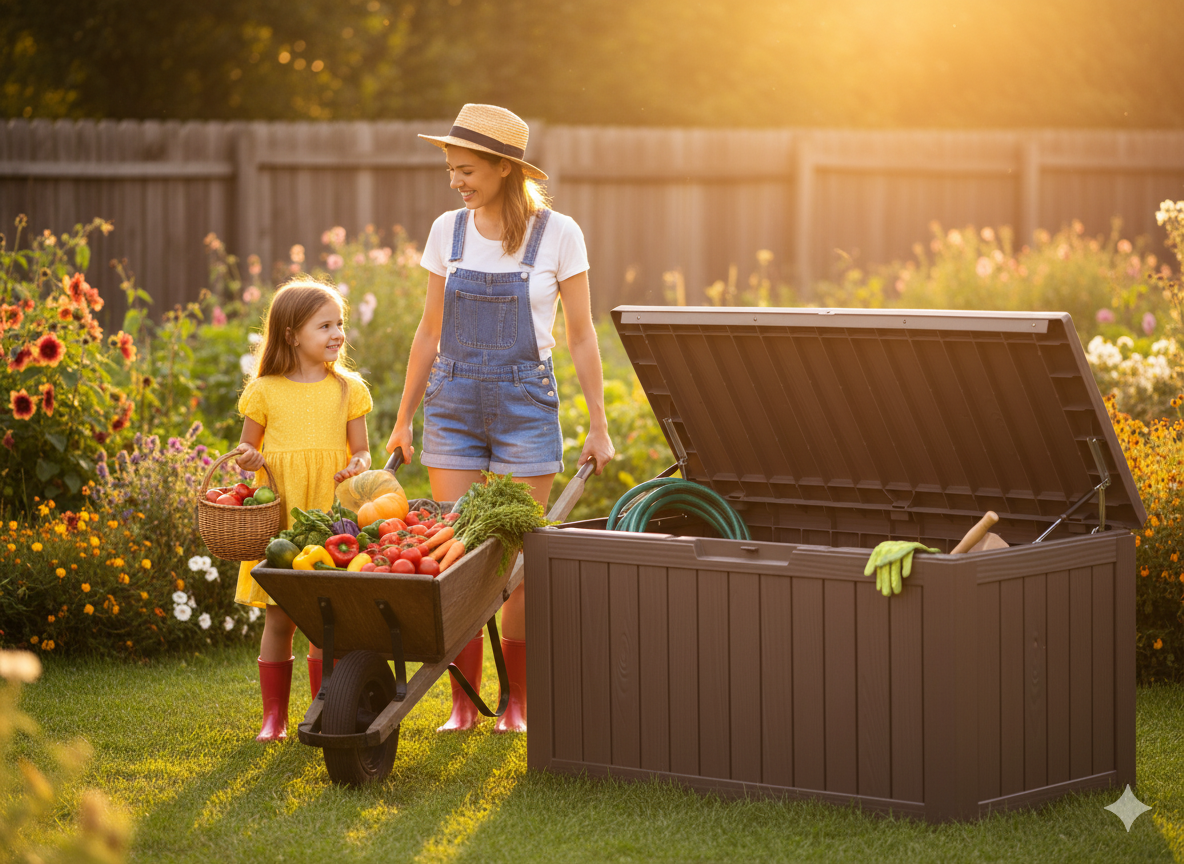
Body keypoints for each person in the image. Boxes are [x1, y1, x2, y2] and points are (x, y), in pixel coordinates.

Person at [386, 104, 614, 734]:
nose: (455, 181)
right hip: (452, 405)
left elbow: (581, 335)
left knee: (515, 563)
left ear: (505, 168)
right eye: (451, 169)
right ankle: (464, 704)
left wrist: (599, 424)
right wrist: (404, 419)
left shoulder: (559, 234)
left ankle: (516, 704)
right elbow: (429, 331)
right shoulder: (447, 232)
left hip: (525, 406)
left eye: (466, 170)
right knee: (456, 561)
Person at [232, 279, 374, 742]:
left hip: (329, 511)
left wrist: (356, 464)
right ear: (292, 334)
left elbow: (363, 453)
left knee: (325, 619)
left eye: (340, 324)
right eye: (325, 325)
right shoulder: (265, 390)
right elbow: (245, 448)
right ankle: (273, 718)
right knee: (280, 617)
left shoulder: (348, 389)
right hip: (283, 512)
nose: (337, 334)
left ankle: (322, 711)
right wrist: (250, 459)